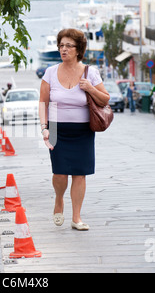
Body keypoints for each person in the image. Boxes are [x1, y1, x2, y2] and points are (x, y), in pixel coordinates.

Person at [39, 28, 110, 231]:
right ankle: (59, 199)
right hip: (55, 128)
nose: (64, 49)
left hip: (83, 130)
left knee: (80, 173)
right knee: (60, 173)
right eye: (61, 45)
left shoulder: (91, 73)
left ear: (79, 49)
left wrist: (90, 88)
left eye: (68, 45)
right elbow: (43, 103)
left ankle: (76, 217)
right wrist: (44, 127)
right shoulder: (50, 72)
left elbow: (105, 99)